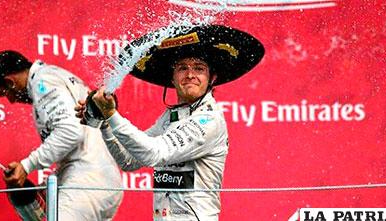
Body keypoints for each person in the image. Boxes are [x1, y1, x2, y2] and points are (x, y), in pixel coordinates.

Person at [77, 24, 265, 220]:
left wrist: (112, 115)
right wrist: (105, 123)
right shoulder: (171, 116)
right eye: (182, 68)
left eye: (199, 68)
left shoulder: (209, 119)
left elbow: (154, 154)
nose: (190, 74)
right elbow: (128, 160)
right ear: (172, 79)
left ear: (212, 78)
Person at [0, 50, 123, 220]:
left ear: (10, 82)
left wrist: (27, 165)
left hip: (86, 183)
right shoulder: (52, 75)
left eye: (5, 94)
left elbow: (70, 132)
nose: (12, 101)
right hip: (96, 181)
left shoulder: (43, 83)